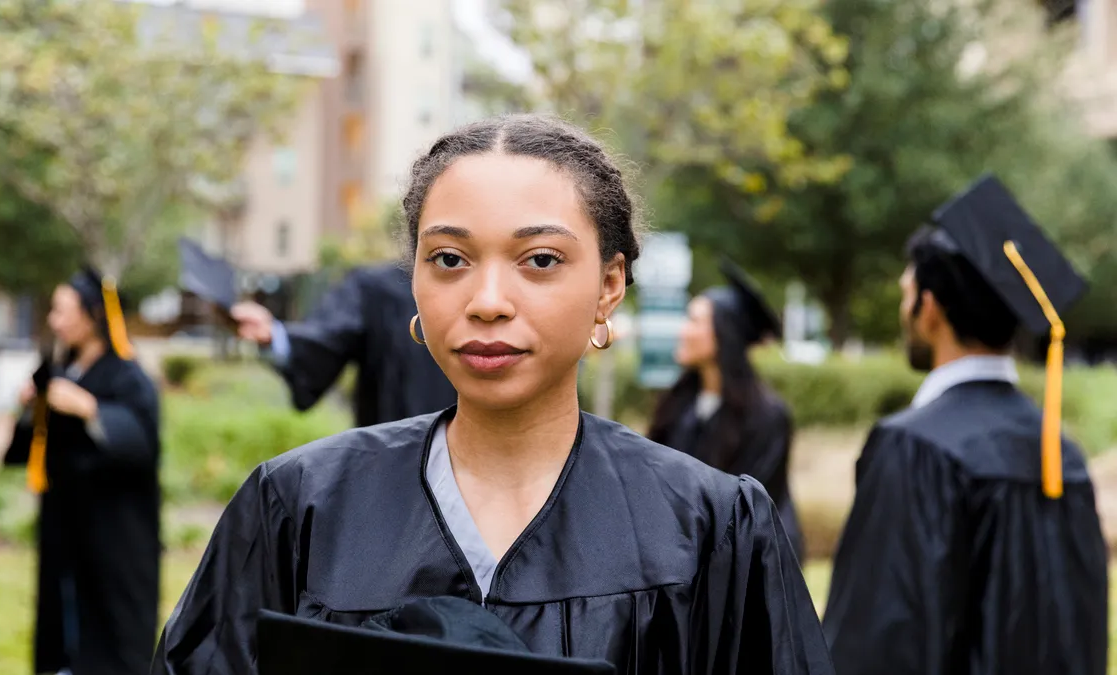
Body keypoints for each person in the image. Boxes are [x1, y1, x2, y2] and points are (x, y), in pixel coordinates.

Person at [153, 114, 833, 675]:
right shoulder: (298, 508)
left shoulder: (711, 529)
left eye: (540, 260)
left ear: (609, 285)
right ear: (413, 279)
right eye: (449, 258)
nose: (486, 302)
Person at [823, 174, 1108, 675]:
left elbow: (876, 643)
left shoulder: (913, 447)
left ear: (928, 307)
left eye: (906, 292)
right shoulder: (1059, 453)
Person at [4, 268, 162, 675]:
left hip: (114, 530)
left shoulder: (128, 375)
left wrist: (90, 408)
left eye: (62, 311)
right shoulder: (58, 369)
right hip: (64, 523)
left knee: (111, 626)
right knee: (61, 620)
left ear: (92, 316)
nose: (54, 321)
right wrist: (30, 408)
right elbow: (30, 448)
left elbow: (143, 444)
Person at [647, 260, 804, 562]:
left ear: (722, 334)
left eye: (693, 321)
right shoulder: (678, 404)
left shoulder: (766, 417)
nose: (683, 330)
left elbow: (751, 511)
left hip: (743, 569)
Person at [230, 261, 458, 426]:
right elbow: (328, 336)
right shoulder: (377, 289)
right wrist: (274, 334)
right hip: (396, 467)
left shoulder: (487, 293)